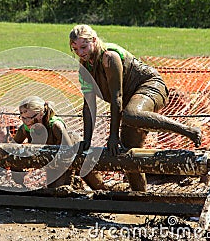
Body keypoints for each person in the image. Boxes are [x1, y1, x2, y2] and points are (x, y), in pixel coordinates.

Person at [69, 24, 202, 191]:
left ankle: (188, 130)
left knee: (131, 115)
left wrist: (113, 136)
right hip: (129, 101)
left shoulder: (109, 57)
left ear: (94, 41)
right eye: (75, 49)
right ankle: (140, 196)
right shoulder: (84, 69)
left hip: (150, 86)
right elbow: (88, 106)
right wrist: (86, 141)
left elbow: (117, 97)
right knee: (127, 152)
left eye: (84, 46)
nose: (80, 53)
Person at [11, 96, 104, 189]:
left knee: (97, 186)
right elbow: (10, 147)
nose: (26, 122)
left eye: (29, 117)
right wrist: (16, 169)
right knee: (52, 189)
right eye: (23, 118)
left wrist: (70, 176)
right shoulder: (25, 128)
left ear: (41, 114)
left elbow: (69, 152)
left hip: (75, 155)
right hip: (52, 160)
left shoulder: (55, 126)